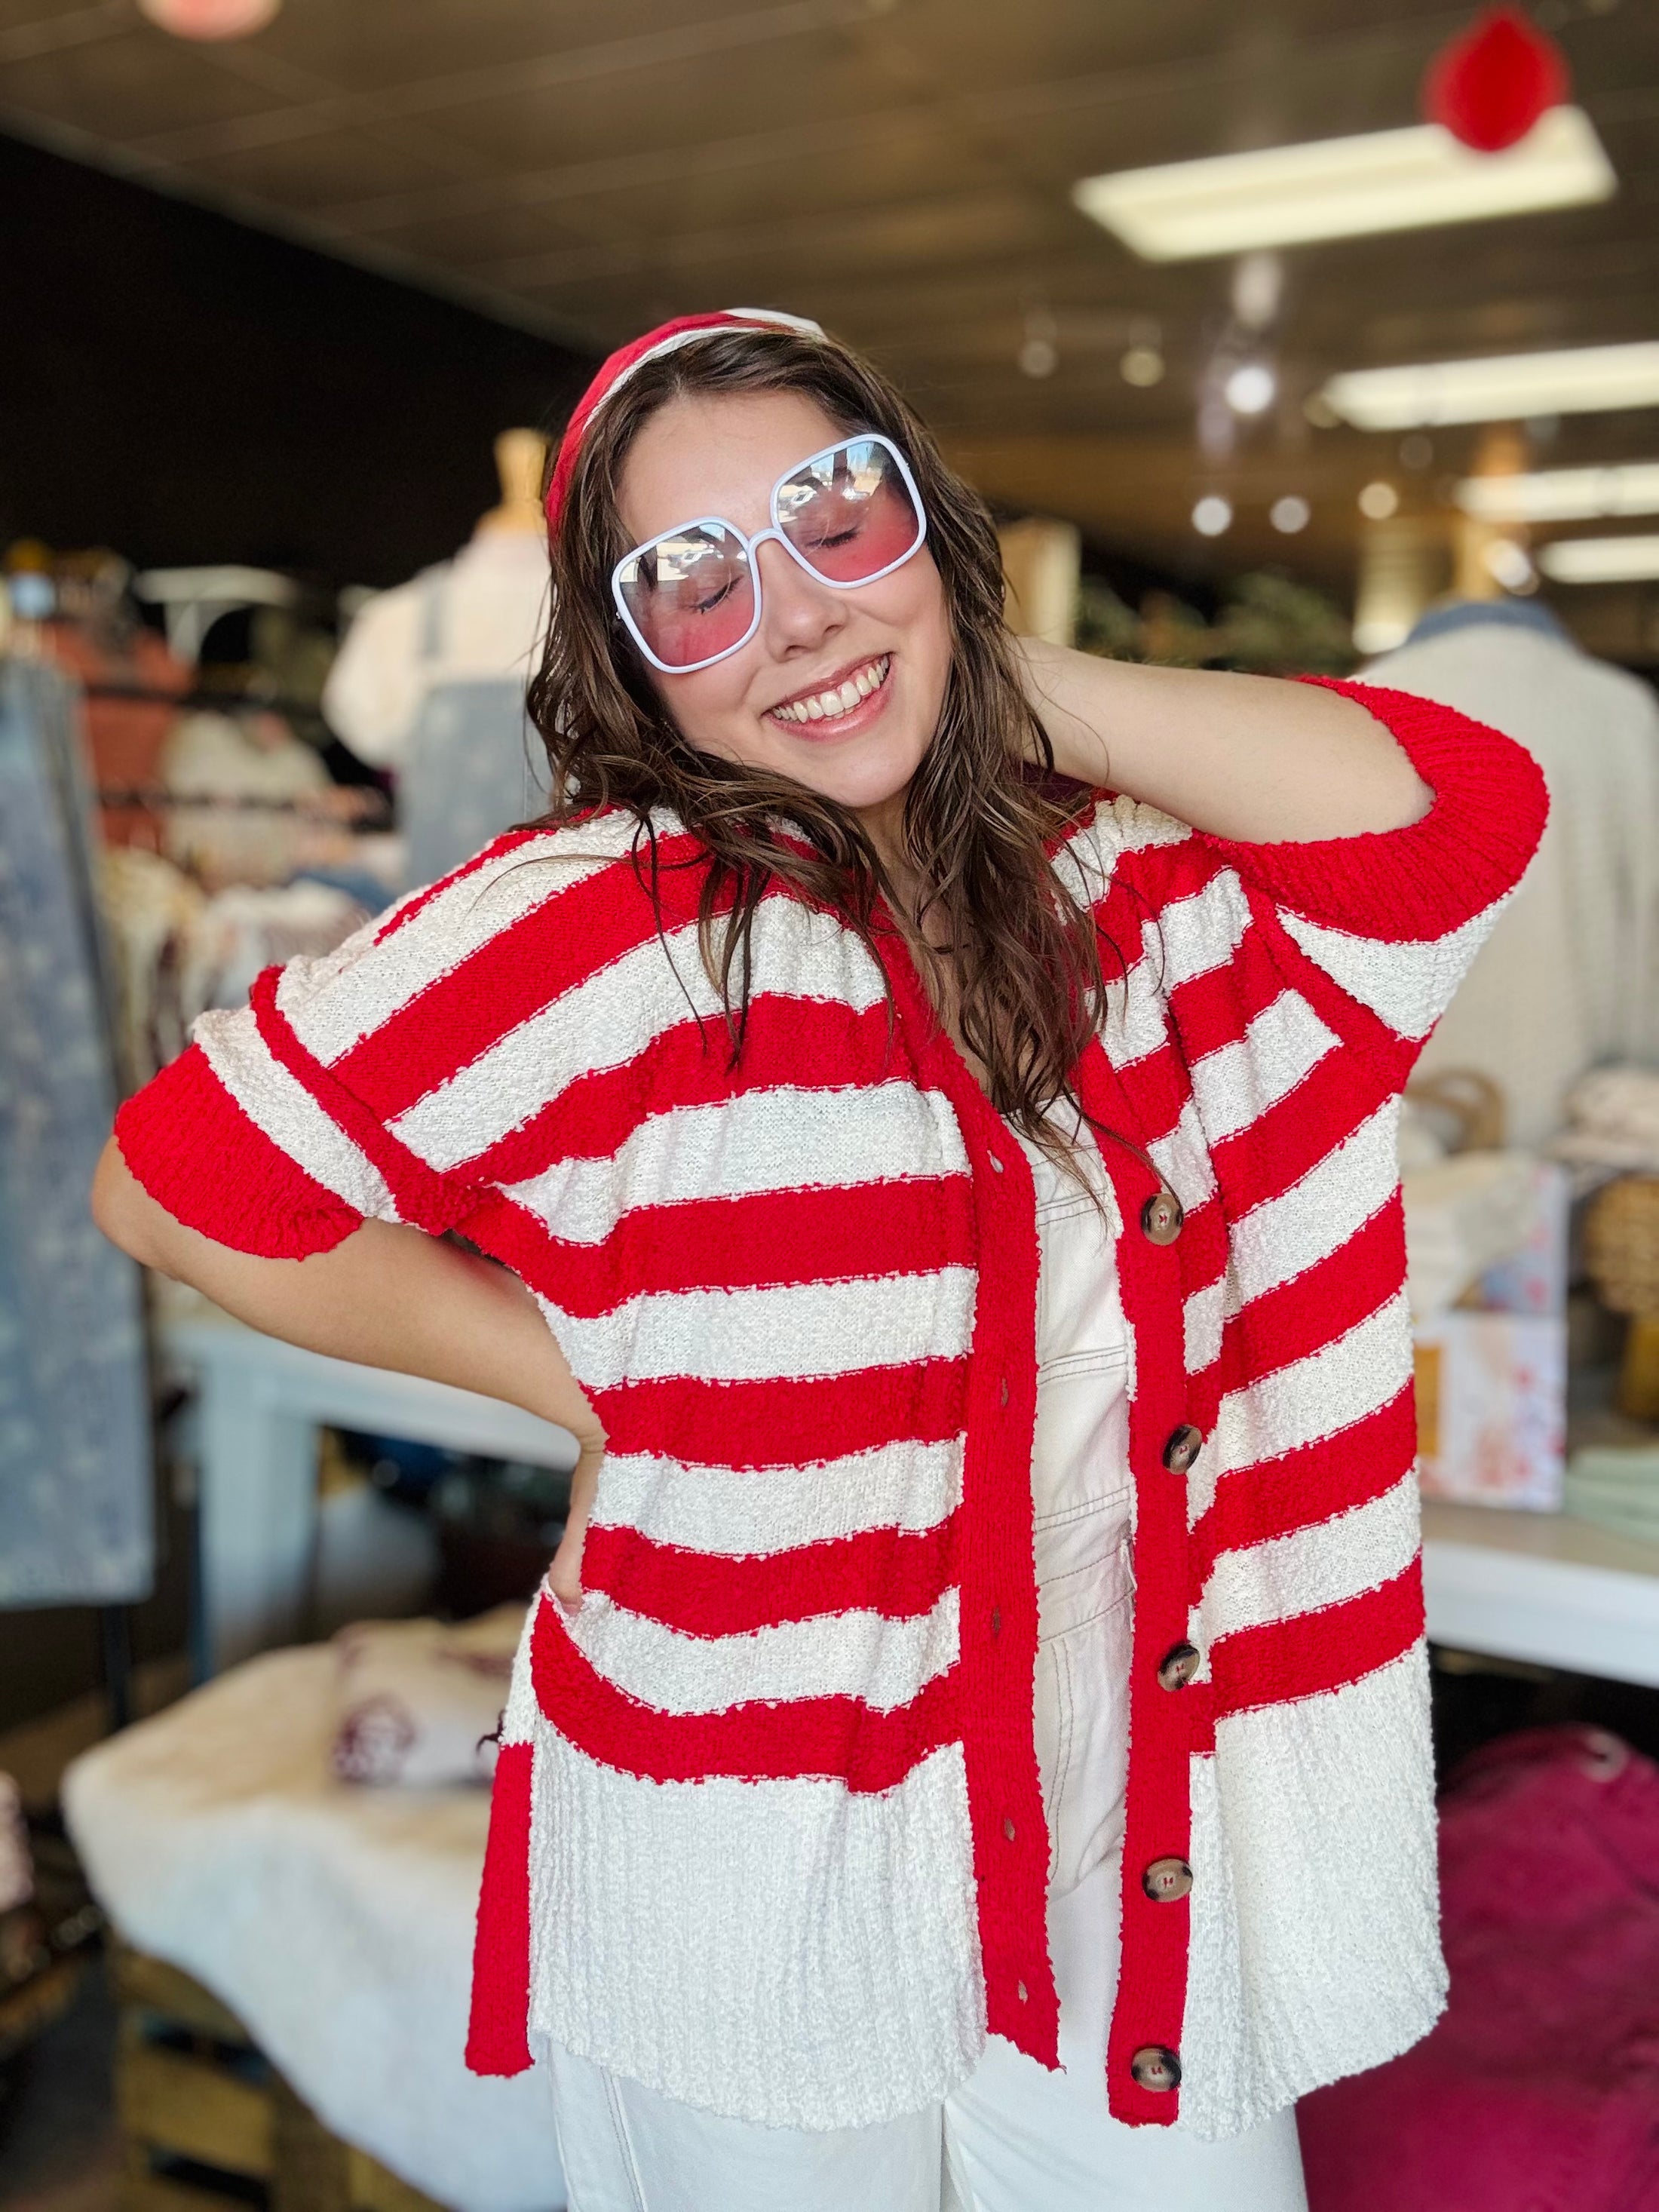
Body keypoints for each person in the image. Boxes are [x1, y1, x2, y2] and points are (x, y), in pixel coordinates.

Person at [94, 309, 1547, 2212]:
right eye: (685, 582)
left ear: (932, 529)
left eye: (830, 518)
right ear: (631, 665)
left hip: (1127, 1812)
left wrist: (973, 683)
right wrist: (581, 1380)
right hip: (748, 1845)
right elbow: (183, 1188)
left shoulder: (1133, 888)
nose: (781, 613)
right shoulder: (602, 929)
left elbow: (1454, 819)